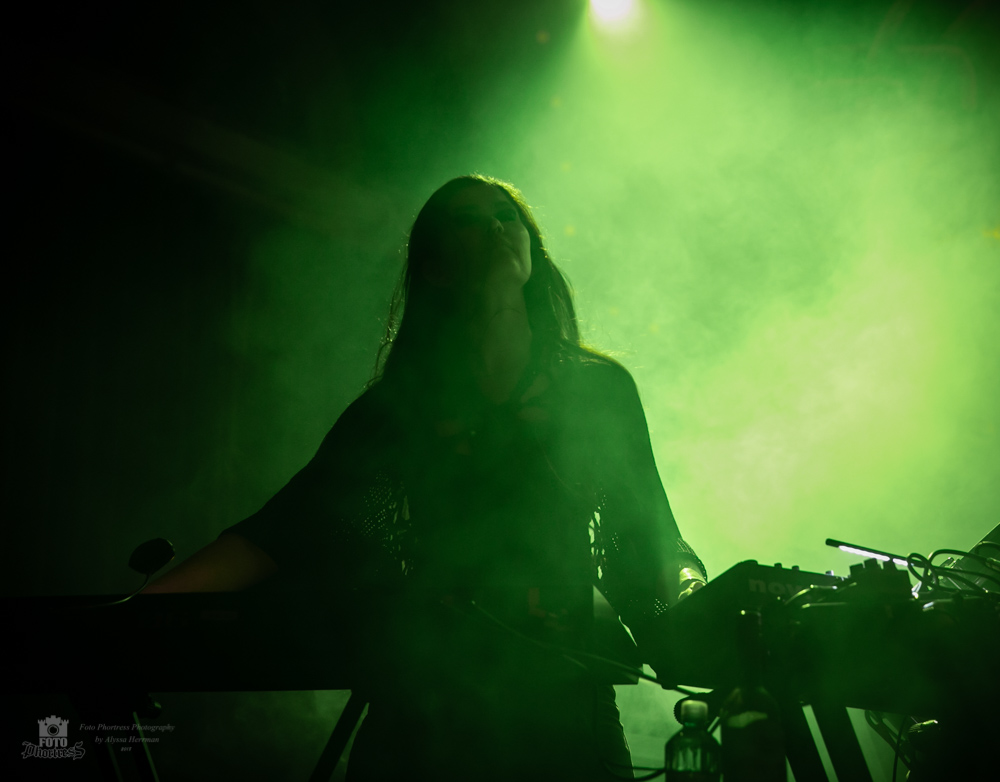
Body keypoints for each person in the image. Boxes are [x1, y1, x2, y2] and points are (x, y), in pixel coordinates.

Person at [146, 174, 707, 780]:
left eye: (507, 215)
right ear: (433, 268)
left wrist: (703, 599)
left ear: (533, 252)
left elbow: (646, 537)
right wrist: (132, 613)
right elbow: (283, 530)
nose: (495, 226)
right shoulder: (395, 411)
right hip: (424, 714)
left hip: (568, 712)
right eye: (468, 222)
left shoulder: (600, 390)